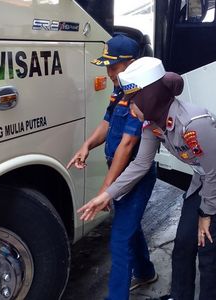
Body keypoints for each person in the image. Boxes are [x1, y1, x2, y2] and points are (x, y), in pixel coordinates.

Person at [79, 57, 216, 300]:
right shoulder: (152, 123)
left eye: (132, 101)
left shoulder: (193, 124)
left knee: (210, 254)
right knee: (183, 246)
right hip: (205, 180)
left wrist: (206, 214)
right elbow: (140, 164)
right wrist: (106, 195)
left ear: (149, 98)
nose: (128, 107)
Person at [67, 34, 158, 300]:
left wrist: (106, 190)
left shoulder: (141, 96)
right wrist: (87, 145)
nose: (109, 73)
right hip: (117, 171)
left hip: (133, 176)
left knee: (119, 240)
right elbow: (107, 123)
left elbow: (128, 144)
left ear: (131, 64)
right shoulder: (120, 90)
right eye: (107, 67)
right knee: (129, 226)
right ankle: (145, 272)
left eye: (114, 67)